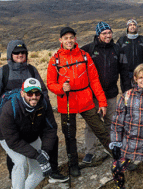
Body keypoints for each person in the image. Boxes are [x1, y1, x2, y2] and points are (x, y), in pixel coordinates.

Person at [0, 40, 68, 183]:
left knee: (51, 139)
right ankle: (14, 177)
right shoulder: (2, 72)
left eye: (23, 52)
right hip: (13, 119)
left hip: (35, 116)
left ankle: (52, 171)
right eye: (16, 52)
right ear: (10, 54)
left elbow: (43, 92)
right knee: (14, 147)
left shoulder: (32, 70)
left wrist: (46, 112)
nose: (20, 55)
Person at [47, 27, 111, 177]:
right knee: (69, 135)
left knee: (100, 129)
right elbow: (50, 83)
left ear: (75, 39)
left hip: (86, 100)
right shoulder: (55, 59)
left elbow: (94, 80)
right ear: (60, 40)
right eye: (66, 38)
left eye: (71, 37)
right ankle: (73, 164)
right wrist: (61, 88)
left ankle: (118, 155)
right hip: (66, 102)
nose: (69, 40)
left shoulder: (84, 56)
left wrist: (102, 102)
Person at [0, 78, 58, 189]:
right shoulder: (9, 108)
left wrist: (44, 152)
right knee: (20, 163)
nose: (34, 97)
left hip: (31, 136)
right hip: (8, 138)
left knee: (40, 170)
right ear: (23, 93)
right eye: (30, 93)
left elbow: (51, 128)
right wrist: (37, 155)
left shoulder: (43, 103)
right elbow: (13, 141)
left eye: (37, 93)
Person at [80, 21, 130, 164]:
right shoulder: (89, 49)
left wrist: (126, 92)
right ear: (98, 34)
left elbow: (125, 72)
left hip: (111, 94)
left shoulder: (118, 49)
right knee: (91, 124)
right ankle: (90, 152)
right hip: (93, 95)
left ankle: (112, 148)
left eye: (109, 32)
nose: (108, 35)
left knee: (111, 123)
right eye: (104, 33)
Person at [116, 18, 143, 84]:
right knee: (127, 92)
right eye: (130, 25)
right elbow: (117, 56)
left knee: (140, 91)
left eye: (134, 25)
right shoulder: (121, 40)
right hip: (125, 72)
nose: (132, 26)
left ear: (137, 27)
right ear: (127, 27)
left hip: (140, 72)